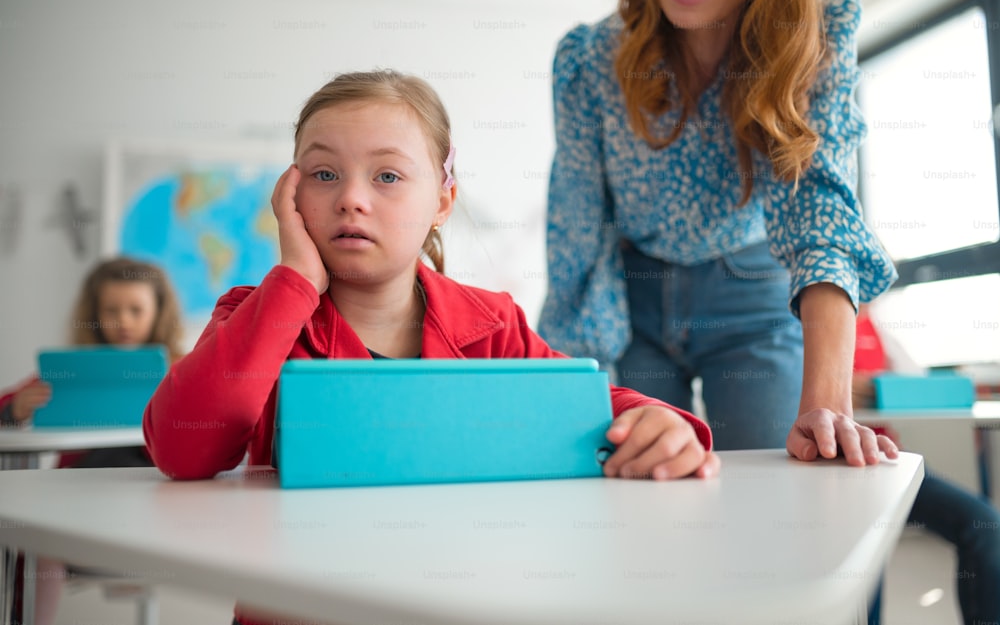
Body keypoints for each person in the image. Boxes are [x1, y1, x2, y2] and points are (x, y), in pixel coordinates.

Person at [142, 69, 721, 625]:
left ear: (442, 201)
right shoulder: (255, 315)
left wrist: (659, 421)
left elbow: (576, 402)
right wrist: (295, 278)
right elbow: (183, 450)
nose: (351, 199)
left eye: (387, 177)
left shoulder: (492, 323)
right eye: (322, 175)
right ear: (289, 197)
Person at [538, 0, 899, 465]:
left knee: (778, 487)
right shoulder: (589, 60)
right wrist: (564, 386)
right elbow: (576, 230)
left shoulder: (813, 37)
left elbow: (821, 209)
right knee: (645, 488)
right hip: (634, 305)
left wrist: (826, 401)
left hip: (755, 298)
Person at [0, 256, 184, 625]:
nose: (124, 321)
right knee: (37, 543)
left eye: (136, 309)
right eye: (111, 309)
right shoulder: (72, 371)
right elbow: (8, 404)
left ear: (158, 312)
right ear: (95, 313)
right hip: (78, 505)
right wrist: (16, 410)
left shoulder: (181, 370)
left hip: (151, 507)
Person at [853, 304, 1000, 625]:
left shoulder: (877, 331)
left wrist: (874, 388)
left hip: (889, 463)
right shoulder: (800, 324)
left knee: (985, 525)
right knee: (866, 570)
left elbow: (919, 386)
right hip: (842, 472)